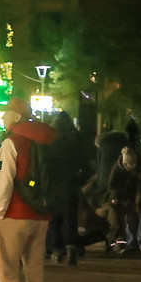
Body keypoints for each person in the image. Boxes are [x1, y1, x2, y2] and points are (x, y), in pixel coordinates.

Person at [0, 96, 56, 282]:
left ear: (16, 117)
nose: (2, 116)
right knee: (34, 272)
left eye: (6, 112)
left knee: (7, 269)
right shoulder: (47, 139)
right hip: (40, 215)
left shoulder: (11, 141)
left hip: (15, 214)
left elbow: (5, 182)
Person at [47, 111, 88, 263]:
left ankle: (57, 249)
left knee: (54, 219)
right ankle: (71, 246)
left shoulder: (49, 143)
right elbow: (87, 166)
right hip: (70, 185)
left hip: (52, 186)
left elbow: (44, 166)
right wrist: (78, 180)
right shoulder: (75, 142)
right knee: (70, 218)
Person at [105, 146, 141, 253]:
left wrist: (136, 202)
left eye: (135, 162)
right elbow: (112, 187)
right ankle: (118, 243)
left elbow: (140, 187)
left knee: (136, 218)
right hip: (121, 198)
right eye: (131, 163)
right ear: (125, 163)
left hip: (135, 196)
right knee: (118, 221)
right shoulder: (117, 170)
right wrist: (117, 198)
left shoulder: (139, 169)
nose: (134, 165)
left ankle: (134, 243)